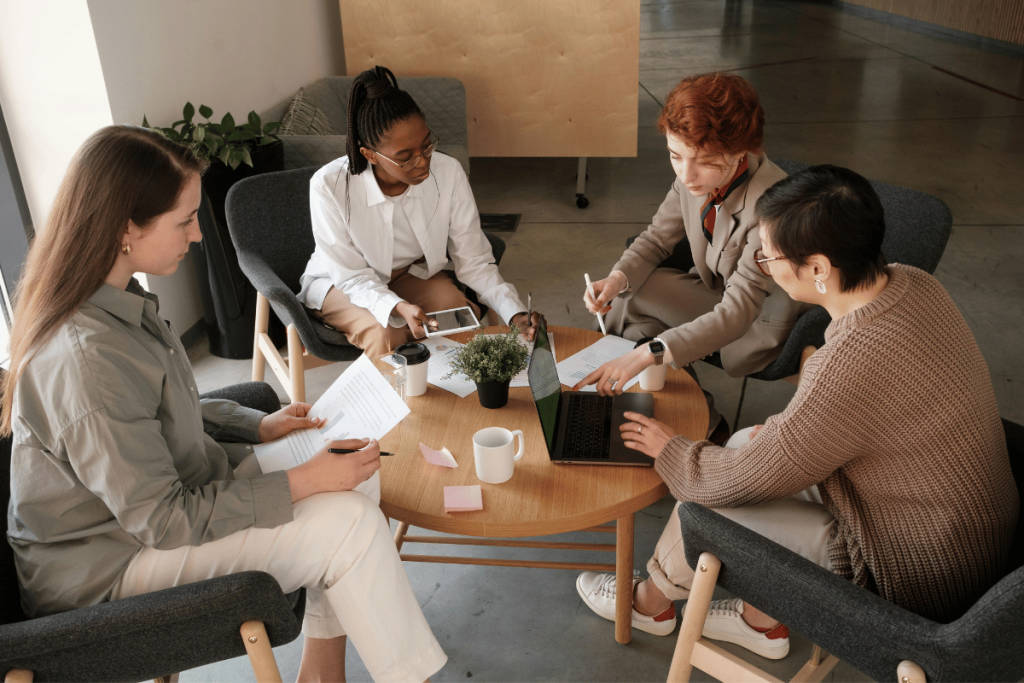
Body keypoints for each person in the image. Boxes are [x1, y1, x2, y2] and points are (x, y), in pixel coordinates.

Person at [2, 125, 447, 683]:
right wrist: (303, 481)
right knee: (349, 523)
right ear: (126, 229)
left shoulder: (116, 301)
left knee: (353, 473)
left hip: (151, 513)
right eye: (185, 220)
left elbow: (153, 412)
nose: (196, 236)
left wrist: (255, 425)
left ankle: (320, 674)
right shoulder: (86, 359)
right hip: (109, 565)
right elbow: (164, 520)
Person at [576, 165, 1018, 660]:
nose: (764, 265)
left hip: (915, 572)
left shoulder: (852, 360)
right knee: (742, 443)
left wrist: (669, 450)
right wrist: (780, 440)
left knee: (704, 506)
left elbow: (737, 479)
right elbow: (853, 419)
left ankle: (647, 604)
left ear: (819, 269)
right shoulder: (913, 284)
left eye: (769, 256)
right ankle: (761, 623)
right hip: (960, 529)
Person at [577, 72, 810, 440]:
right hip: (721, 296)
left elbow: (738, 311)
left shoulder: (772, 208)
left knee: (632, 321)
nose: (687, 175)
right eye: (675, 155)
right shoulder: (697, 176)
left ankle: (593, 395)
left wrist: (649, 353)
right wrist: (617, 279)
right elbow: (656, 238)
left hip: (757, 321)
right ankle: (702, 420)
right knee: (630, 307)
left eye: (704, 161)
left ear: (740, 153)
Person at [298, 66, 541, 358]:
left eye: (426, 146)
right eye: (405, 157)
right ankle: (400, 390)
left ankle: (457, 388)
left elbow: (474, 261)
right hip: (342, 283)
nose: (423, 162)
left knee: (458, 316)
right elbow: (350, 276)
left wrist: (514, 312)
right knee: (387, 332)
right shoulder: (330, 186)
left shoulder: (448, 172)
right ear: (370, 155)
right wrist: (396, 306)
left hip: (410, 274)